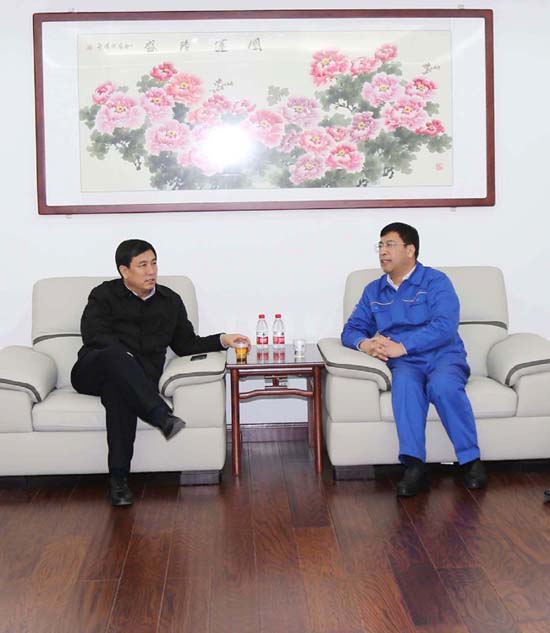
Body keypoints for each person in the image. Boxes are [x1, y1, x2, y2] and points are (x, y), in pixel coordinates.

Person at [71, 239, 250, 506]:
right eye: (142, 265)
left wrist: (223, 339)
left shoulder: (170, 301)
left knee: (118, 393)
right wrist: (126, 358)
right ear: (124, 271)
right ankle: (159, 414)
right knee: (116, 356)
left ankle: (119, 482)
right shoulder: (104, 295)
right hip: (93, 369)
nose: (151, 271)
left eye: (154, 263)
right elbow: (94, 336)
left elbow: (186, 344)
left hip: (135, 380)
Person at [341, 222, 487, 497]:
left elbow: (445, 326)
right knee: (405, 387)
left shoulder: (436, 281)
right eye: (380, 245)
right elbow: (351, 329)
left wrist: (404, 346)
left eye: (390, 245)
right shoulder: (374, 290)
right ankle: (414, 466)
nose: (383, 252)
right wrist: (365, 343)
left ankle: (470, 461)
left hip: (443, 355)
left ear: (410, 250)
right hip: (405, 364)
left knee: (443, 386)